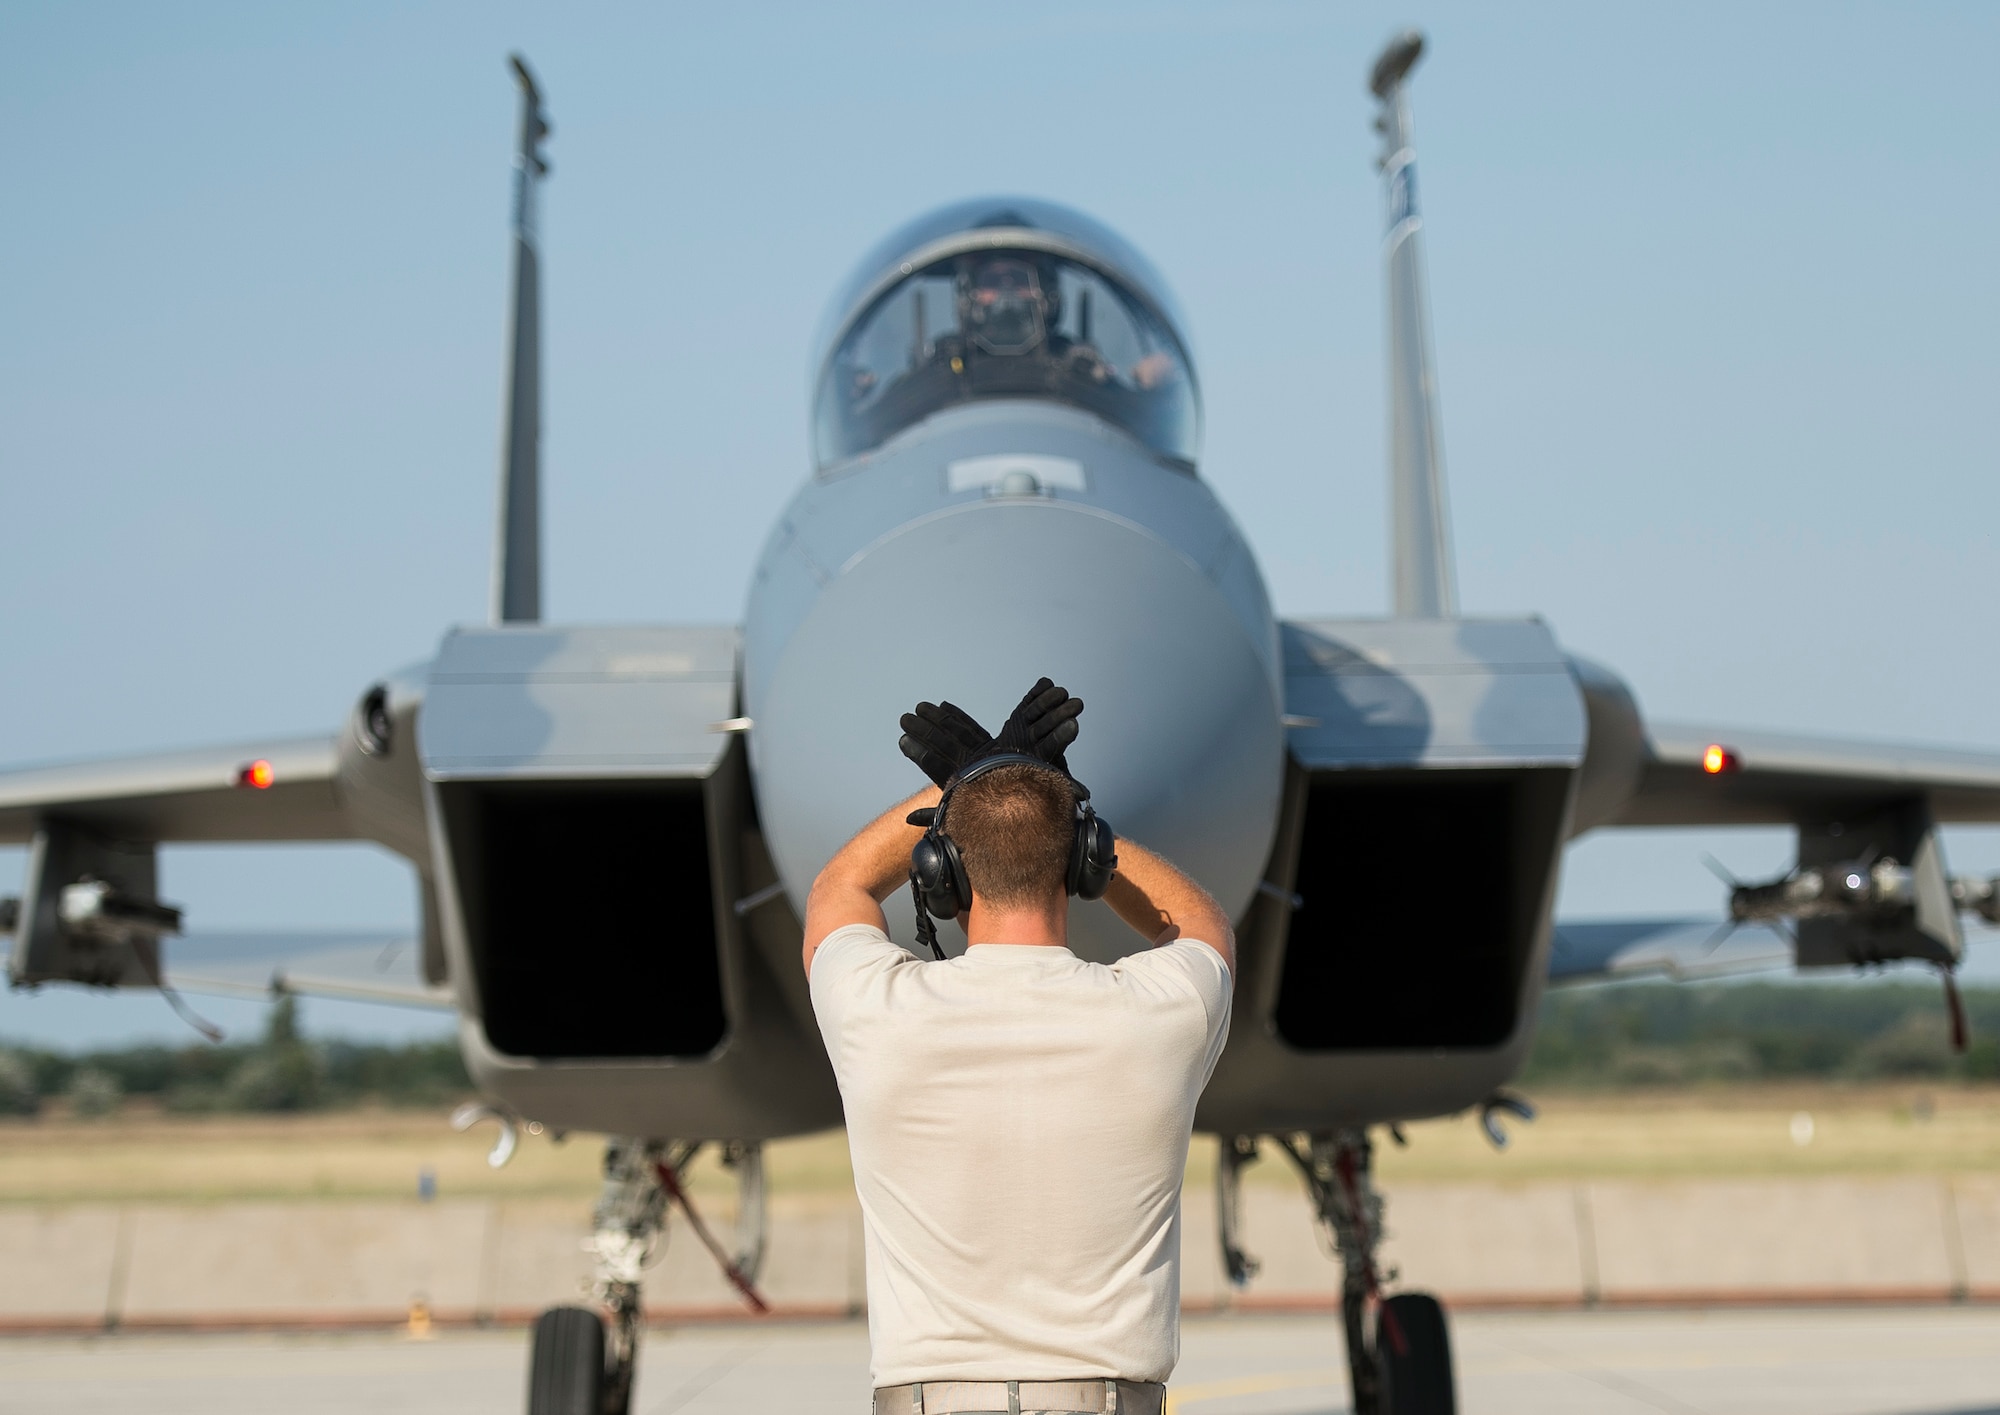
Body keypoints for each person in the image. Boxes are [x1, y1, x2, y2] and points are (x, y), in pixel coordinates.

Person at [803, 679, 1235, 1415]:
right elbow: (1199, 923)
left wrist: (967, 784)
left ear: (943, 874)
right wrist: (1053, 804)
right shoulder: (1163, 1014)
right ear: (1082, 864)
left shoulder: (878, 1014)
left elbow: (839, 886)